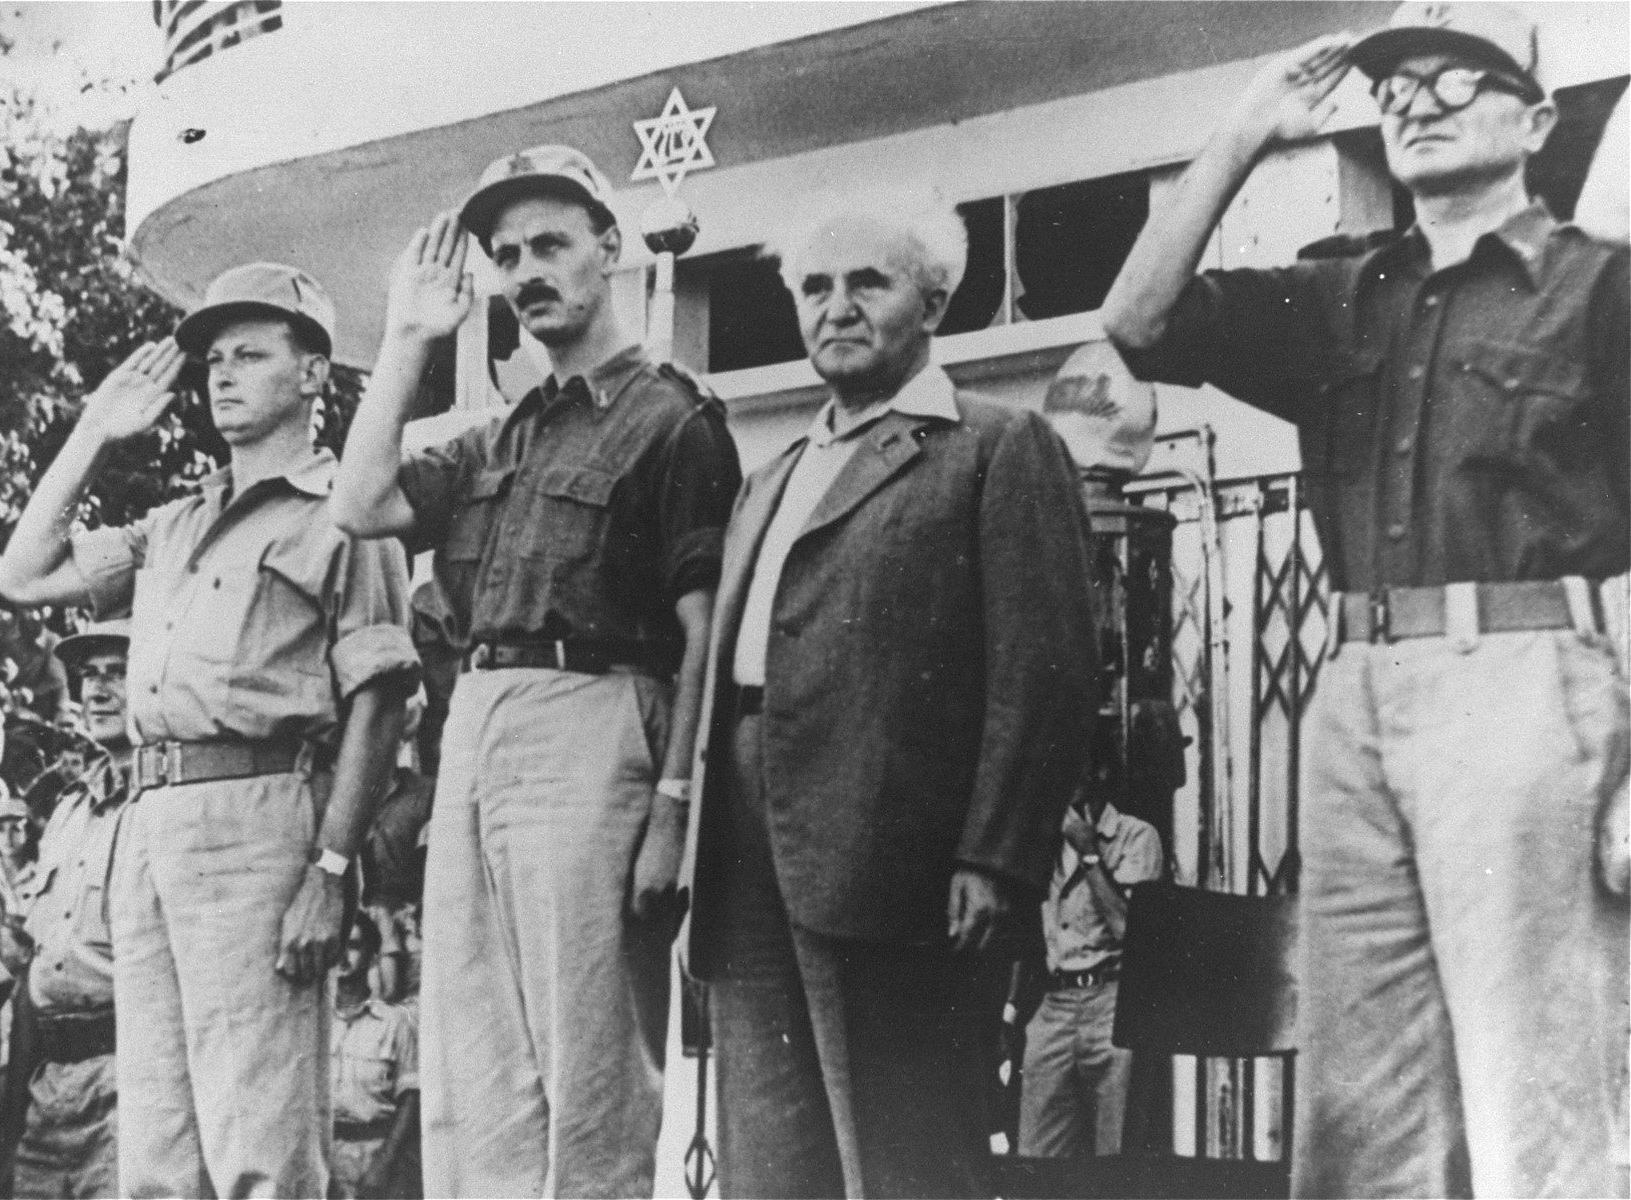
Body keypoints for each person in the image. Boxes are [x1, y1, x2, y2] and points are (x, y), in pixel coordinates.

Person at [1099, 5, 1629, 1196]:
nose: (1418, 99)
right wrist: (1241, 135)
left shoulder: (1603, 288)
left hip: (1527, 682)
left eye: (1459, 79)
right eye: (1397, 81)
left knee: (1525, 1098)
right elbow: (1135, 320)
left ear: (1534, 119)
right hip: (1349, 695)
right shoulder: (1339, 293)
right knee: (1355, 1110)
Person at [332, 145, 742, 1196]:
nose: (526, 272)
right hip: (479, 721)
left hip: (597, 718)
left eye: (550, 244)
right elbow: (362, 502)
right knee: (476, 1054)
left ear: (608, 247)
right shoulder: (496, 435)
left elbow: (707, 634)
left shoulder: (671, 417)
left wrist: (674, 809)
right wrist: (408, 337)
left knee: (588, 1055)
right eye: (506, 255)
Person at [683, 192, 1098, 1198]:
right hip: (746, 851)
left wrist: (993, 857)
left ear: (935, 299)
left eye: (868, 281)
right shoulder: (770, 475)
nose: (836, 306)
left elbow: (1043, 671)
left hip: (895, 862)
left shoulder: (995, 445)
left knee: (904, 1153)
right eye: (814, 287)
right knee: (768, 1155)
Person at [0, 262, 420, 1198]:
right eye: (212, 359)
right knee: (157, 1147)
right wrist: (93, 431)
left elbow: (379, 701)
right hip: (154, 823)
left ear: (313, 373)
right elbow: (21, 574)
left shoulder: (348, 513)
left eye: (250, 354)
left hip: (260, 819)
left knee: (259, 1142)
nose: (220, 375)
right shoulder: (175, 523)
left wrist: (332, 872)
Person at [3, 621, 134, 1199]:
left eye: (117, 674)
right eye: (88, 677)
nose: (96, 692)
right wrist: (11, 1114)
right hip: (50, 1086)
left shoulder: (169, 805)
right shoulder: (67, 813)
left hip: (130, 1079)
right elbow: (37, 964)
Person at [1017, 791, 1163, 1160]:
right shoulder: (1042, 840)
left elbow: (1130, 928)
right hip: (1054, 1004)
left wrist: (1089, 852)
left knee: (1116, 1160)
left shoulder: (1136, 836)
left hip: (1112, 1003)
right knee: (1037, 1163)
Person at [330, 910, 421, 1200]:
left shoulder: (396, 1022)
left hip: (377, 1152)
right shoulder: (317, 1023)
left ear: (372, 957)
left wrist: (383, 1164)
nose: (344, 955)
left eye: (354, 945)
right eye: (339, 944)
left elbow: (410, 1098)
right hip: (327, 1157)